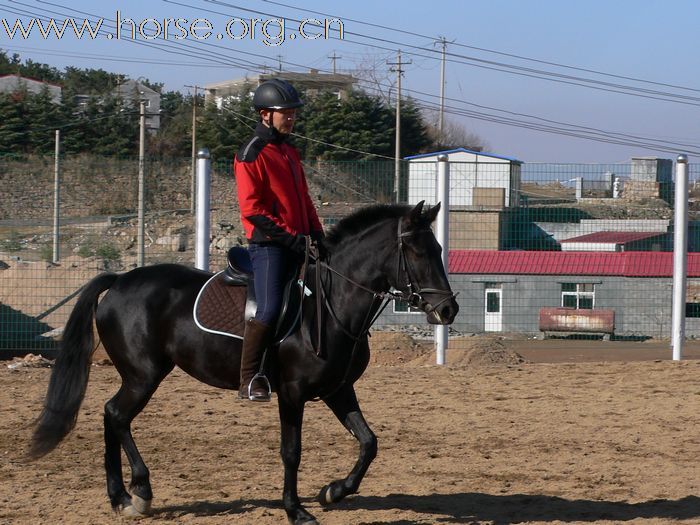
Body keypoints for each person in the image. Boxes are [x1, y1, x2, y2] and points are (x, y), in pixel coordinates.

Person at [233, 79, 324, 402]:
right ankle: (249, 379)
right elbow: (253, 210)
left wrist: (317, 235)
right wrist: (291, 240)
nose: (291, 117)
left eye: (293, 112)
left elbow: (304, 199)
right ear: (264, 115)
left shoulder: (289, 151)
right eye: (285, 112)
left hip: (299, 241)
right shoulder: (251, 153)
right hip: (268, 245)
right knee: (270, 309)